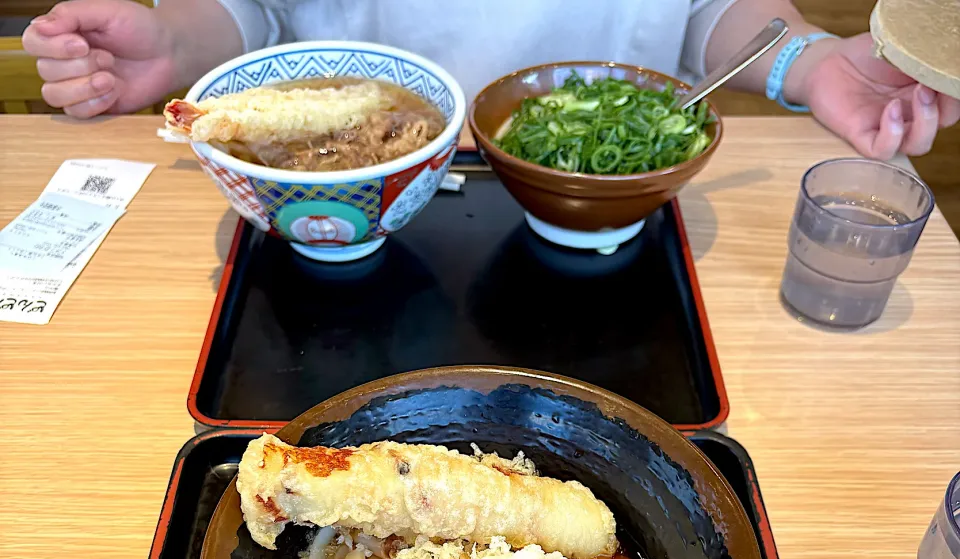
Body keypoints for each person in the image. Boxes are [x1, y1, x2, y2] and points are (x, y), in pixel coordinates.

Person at [22, 0, 960, 159]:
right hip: (336, 190)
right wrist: (173, 49)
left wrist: (805, 60)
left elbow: (710, 13)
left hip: (609, 202)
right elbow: (257, 10)